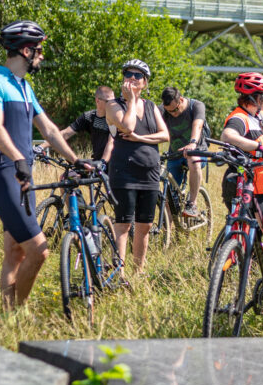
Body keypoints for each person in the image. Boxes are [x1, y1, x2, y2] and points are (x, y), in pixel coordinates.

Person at [0, 20, 85, 308]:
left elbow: (48, 129)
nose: (41, 55)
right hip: (4, 174)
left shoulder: (25, 87)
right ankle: (19, 312)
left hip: (22, 173)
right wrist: (18, 158)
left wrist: (75, 160)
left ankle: (7, 315)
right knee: (39, 250)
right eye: (39, 50)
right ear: (26, 51)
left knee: (15, 251)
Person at [104, 59, 170, 273]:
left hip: (149, 173)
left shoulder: (151, 106)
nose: (132, 78)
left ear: (145, 82)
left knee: (145, 225)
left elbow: (165, 135)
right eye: (128, 74)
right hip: (124, 171)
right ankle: (119, 273)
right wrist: (131, 101)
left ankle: (138, 271)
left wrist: (140, 139)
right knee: (123, 224)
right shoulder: (113, 105)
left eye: (138, 75)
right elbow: (127, 126)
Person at [219, 72, 263, 209]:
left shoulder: (261, 115)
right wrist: (257, 146)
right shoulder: (239, 118)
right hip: (249, 188)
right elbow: (227, 135)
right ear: (258, 98)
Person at [159, 86, 207, 217]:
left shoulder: (196, 106)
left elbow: (198, 125)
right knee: (169, 199)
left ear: (180, 99)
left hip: (197, 151)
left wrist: (192, 143)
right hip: (175, 154)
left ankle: (192, 203)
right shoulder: (162, 110)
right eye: (169, 111)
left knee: (193, 159)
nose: (173, 113)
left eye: (175, 109)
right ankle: (167, 228)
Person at [57, 85, 115, 160]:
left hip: (113, 163)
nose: (112, 104)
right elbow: (66, 133)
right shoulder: (89, 117)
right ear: (97, 101)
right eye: (108, 101)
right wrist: (42, 146)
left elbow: (111, 143)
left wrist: (102, 162)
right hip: (97, 163)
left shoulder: (115, 119)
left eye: (113, 101)